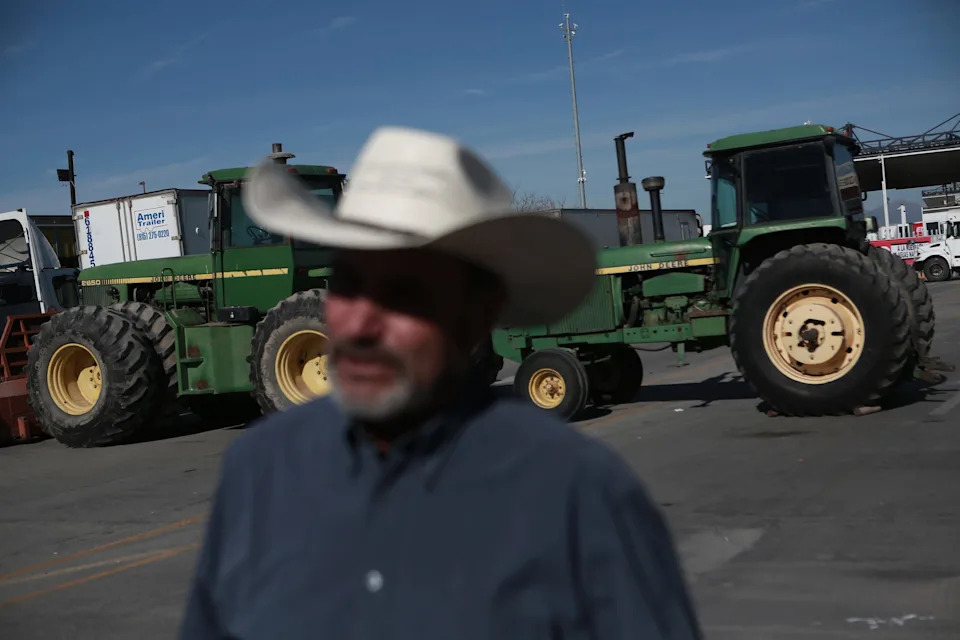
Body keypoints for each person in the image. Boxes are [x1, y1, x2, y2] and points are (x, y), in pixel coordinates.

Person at [179, 126, 703, 639]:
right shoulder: (260, 474)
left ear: (476, 314)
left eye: (402, 295)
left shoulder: (576, 494)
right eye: (348, 284)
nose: (359, 325)